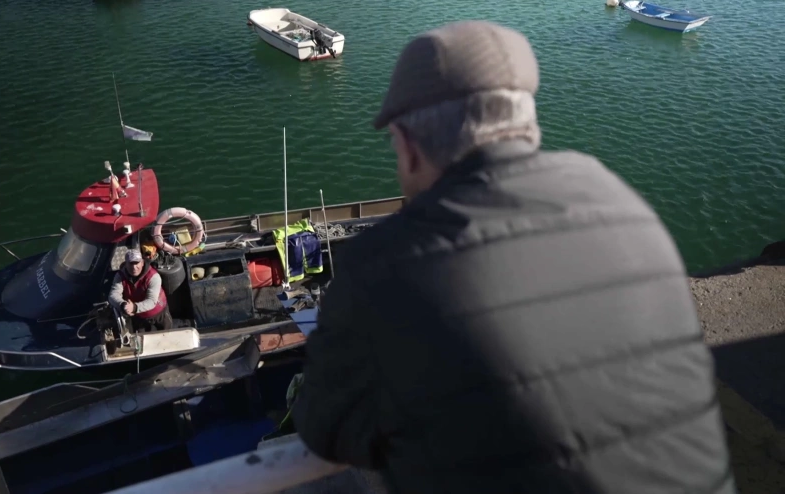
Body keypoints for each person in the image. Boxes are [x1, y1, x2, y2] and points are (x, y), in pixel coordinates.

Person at [291, 20, 734, 494]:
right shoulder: (624, 204)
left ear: (408, 146)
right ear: (526, 125)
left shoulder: (383, 264)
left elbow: (325, 429)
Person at [108, 248, 172, 332]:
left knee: (168, 335)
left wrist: (134, 307)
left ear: (142, 263)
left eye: (136, 263)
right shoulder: (120, 276)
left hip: (159, 313)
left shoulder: (153, 276)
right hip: (139, 317)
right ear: (126, 264)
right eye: (131, 263)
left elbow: (152, 301)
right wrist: (123, 305)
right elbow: (113, 295)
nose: (134, 267)